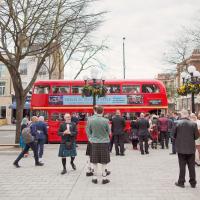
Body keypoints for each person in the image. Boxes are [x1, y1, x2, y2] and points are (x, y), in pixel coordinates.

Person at [174, 110, 199, 188]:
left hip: (181, 148)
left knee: (182, 166)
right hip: (191, 148)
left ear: (181, 115)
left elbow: (173, 135)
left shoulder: (177, 123)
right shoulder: (193, 124)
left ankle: (181, 182)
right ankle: (193, 182)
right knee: (191, 166)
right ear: (188, 116)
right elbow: (197, 136)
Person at [86, 105, 111, 184]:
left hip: (94, 143)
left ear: (96, 111)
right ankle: (104, 178)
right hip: (104, 143)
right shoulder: (106, 120)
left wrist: (90, 138)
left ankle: (94, 178)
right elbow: (109, 132)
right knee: (104, 161)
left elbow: (88, 131)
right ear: (103, 111)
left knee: (94, 161)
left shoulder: (90, 120)